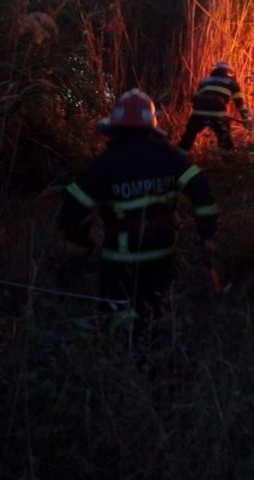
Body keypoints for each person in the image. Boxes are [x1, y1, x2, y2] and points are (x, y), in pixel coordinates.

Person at [58, 88, 218, 352]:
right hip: (163, 250)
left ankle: (125, 355)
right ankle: (155, 351)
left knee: (117, 308)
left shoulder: (106, 162)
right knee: (154, 305)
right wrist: (207, 236)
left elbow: (71, 211)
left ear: (115, 128)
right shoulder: (170, 157)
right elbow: (201, 189)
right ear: (152, 125)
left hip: (121, 256)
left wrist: (83, 239)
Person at [177, 60, 254, 151]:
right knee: (224, 140)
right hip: (218, 113)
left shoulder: (204, 81)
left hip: (198, 112)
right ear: (229, 72)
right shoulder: (231, 83)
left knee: (188, 136)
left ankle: (178, 155)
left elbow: (194, 98)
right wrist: (246, 118)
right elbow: (240, 104)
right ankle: (226, 156)